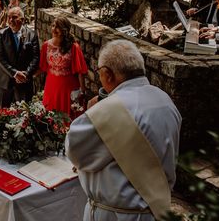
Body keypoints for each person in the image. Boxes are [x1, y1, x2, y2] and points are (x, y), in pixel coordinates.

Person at [66, 40, 182, 221]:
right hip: (157, 211)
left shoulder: (106, 111)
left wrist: (92, 111)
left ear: (107, 74)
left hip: (115, 215)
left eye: (99, 73)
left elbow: (76, 153)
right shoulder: (165, 101)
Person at [39, 16, 88, 118]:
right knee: (51, 117)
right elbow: (42, 67)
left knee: (69, 117)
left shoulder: (74, 47)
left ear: (64, 30)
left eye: (58, 27)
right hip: (51, 87)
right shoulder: (45, 46)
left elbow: (80, 71)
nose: (54, 29)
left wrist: (82, 91)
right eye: (53, 26)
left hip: (69, 88)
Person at [0, 6, 40, 107]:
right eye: (9, 17)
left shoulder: (32, 35)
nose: (10, 20)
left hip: (25, 82)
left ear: (22, 20)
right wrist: (15, 73)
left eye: (14, 17)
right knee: (3, 116)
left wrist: (26, 74)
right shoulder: (0, 35)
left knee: (25, 115)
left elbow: (35, 57)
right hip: (6, 83)